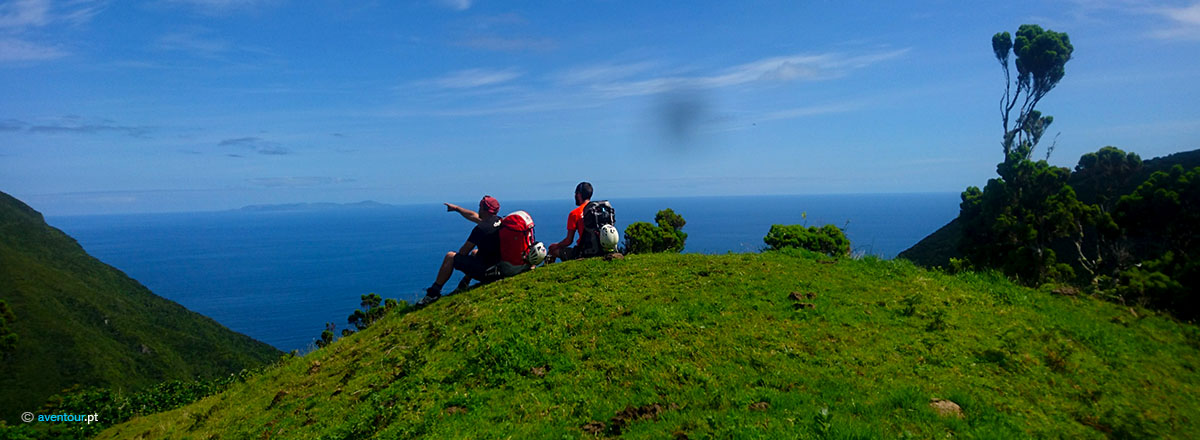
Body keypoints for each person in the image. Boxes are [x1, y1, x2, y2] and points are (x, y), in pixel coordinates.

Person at [417, 196, 503, 306]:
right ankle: (464, 284)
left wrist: (460, 256)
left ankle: (433, 293)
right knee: (475, 253)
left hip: (487, 272)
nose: (478, 210)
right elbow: (473, 216)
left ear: (483, 209)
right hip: (499, 267)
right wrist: (457, 208)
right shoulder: (499, 221)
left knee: (450, 256)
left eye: (480, 207)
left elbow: (463, 252)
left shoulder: (480, 229)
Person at [547, 182, 592, 263]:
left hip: (583, 251)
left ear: (579, 194)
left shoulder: (575, 213)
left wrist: (556, 245)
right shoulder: (598, 209)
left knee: (552, 251)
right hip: (601, 249)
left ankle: (547, 269)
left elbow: (568, 241)